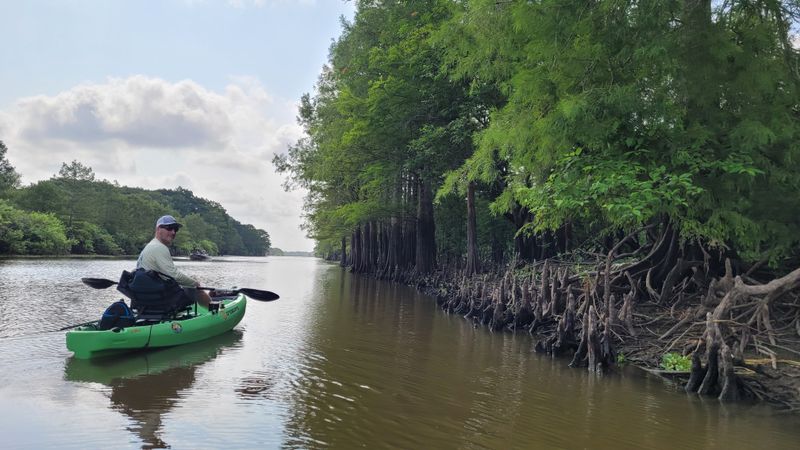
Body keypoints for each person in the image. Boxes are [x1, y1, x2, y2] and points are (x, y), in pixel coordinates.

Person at [137, 215, 211, 308]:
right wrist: (195, 283)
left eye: (175, 229)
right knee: (195, 287)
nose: (173, 232)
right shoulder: (159, 247)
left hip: (146, 298)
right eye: (169, 228)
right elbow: (175, 275)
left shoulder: (150, 246)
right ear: (158, 229)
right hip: (159, 299)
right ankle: (212, 309)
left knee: (183, 285)